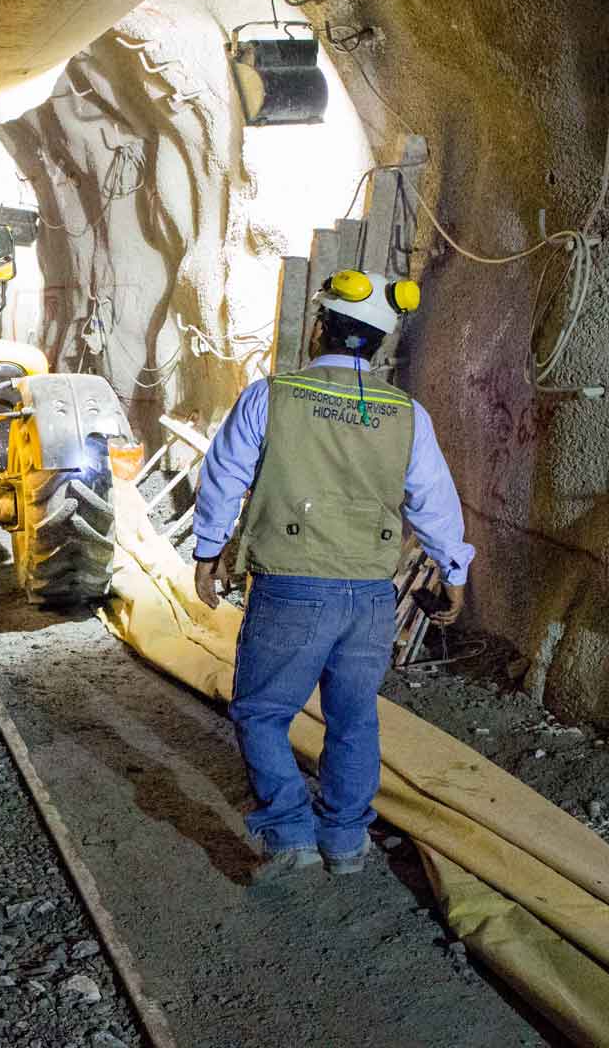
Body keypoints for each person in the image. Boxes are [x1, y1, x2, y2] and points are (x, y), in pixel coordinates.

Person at [190, 269, 475, 888]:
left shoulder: (272, 396)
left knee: (263, 713)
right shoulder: (407, 414)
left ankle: (291, 834)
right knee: (354, 719)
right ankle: (345, 841)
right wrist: (453, 569)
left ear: (319, 328)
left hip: (291, 586)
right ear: (379, 344)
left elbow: (223, 477)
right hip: (370, 596)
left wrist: (208, 552)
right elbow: (433, 499)